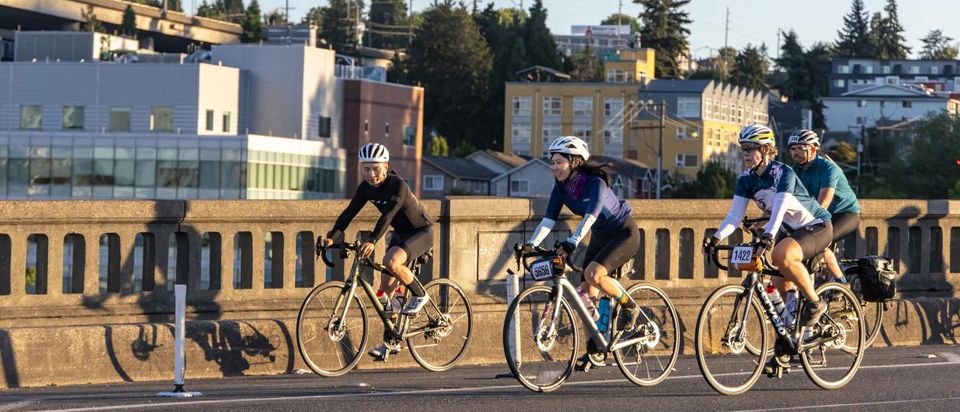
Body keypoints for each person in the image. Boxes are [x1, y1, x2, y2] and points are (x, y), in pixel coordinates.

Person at [702, 125, 833, 327]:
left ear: (765, 149)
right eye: (742, 149)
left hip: (817, 225)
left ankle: (815, 303)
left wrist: (768, 236)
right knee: (777, 277)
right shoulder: (746, 178)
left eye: (749, 149)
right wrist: (717, 237)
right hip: (790, 230)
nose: (744, 154)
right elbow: (735, 216)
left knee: (780, 255)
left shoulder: (783, 173)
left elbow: (779, 210)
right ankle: (791, 336)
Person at [323, 142, 434, 359]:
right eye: (366, 169)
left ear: (385, 166)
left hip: (421, 231)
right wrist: (331, 238)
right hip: (401, 235)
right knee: (384, 291)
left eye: (376, 168)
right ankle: (392, 340)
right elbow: (349, 213)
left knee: (391, 261)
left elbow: (388, 216)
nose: (371, 174)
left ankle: (421, 296)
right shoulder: (366, 188)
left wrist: (373, 240)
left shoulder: (398, 185)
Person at [525, 136, 641, 337]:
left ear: (575, 162)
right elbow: (548, 220)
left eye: (559, 162)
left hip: (623, 233)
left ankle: (630, 306)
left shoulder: (596, 183)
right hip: (600, 235)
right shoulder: (561, 188)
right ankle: (597, 344)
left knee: (594, 275)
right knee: (585, 293)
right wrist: (530, 244)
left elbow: (591, 215)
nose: (554, 167)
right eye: (552, 162)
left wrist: (572, 242)